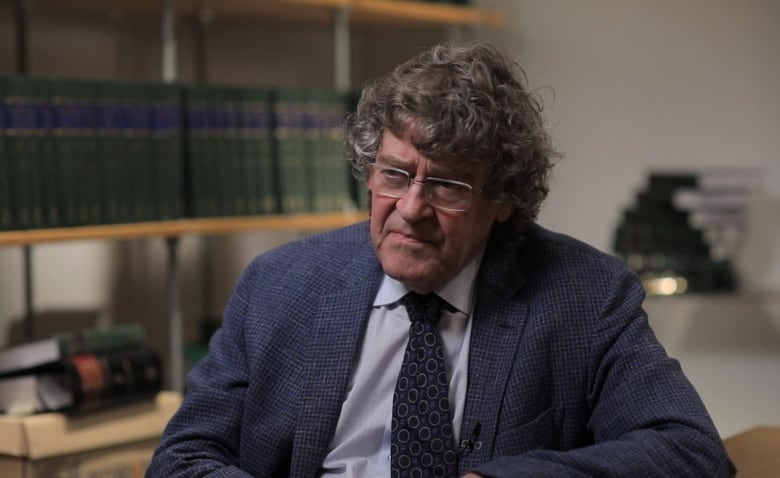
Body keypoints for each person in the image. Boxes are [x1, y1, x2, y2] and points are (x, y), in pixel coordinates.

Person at [147, 42, 735, 477]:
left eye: (448, 187)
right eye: (394, 174)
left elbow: (688, 450)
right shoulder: (280, 284)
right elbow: (184, 458)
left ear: (503, 200)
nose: (411, 208)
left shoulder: (585, 293)